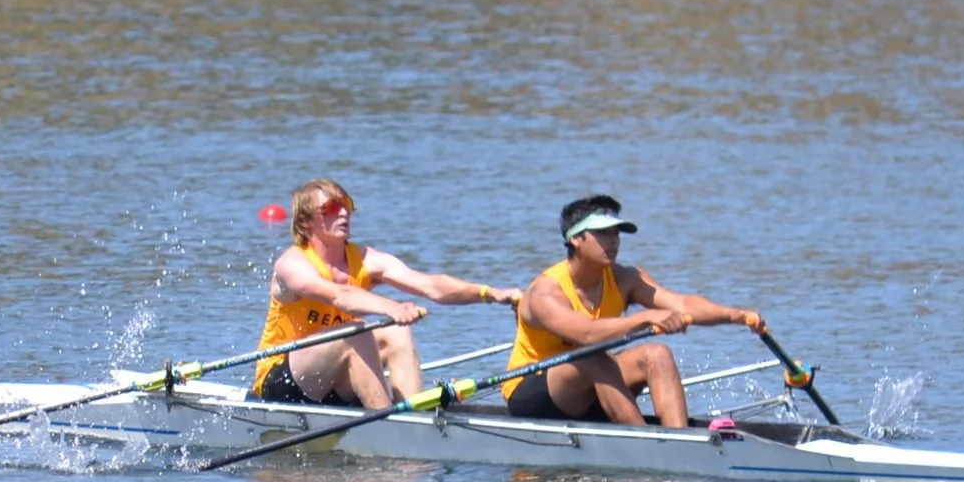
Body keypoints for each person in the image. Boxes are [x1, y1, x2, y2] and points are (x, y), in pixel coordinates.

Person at [252, 178, 518, 408]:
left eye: (347, 204)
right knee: (357, 332)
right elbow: (339, 295)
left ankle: (414, 416)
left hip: (336, 379)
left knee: (396, 330)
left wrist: (490, 293)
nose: (344, 213)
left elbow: (431, 286)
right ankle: (389, 424)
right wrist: (390, 307)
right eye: (331, 208)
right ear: (305, 221)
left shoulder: (367, 259)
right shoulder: (293, 264)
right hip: (282, 382)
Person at [504, 194, 765, 428]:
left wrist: (737, 315)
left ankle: (680, 441)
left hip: (590, 384)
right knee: (595, 356)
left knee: (656, 354)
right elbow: (587, 334)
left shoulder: (625, 279)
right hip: (532, 392)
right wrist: (647, 317)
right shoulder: (545, 293)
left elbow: (682, 304)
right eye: (603, 233)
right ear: (575, 239)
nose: (613, 240)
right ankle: (646, 444)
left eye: (616, 233)